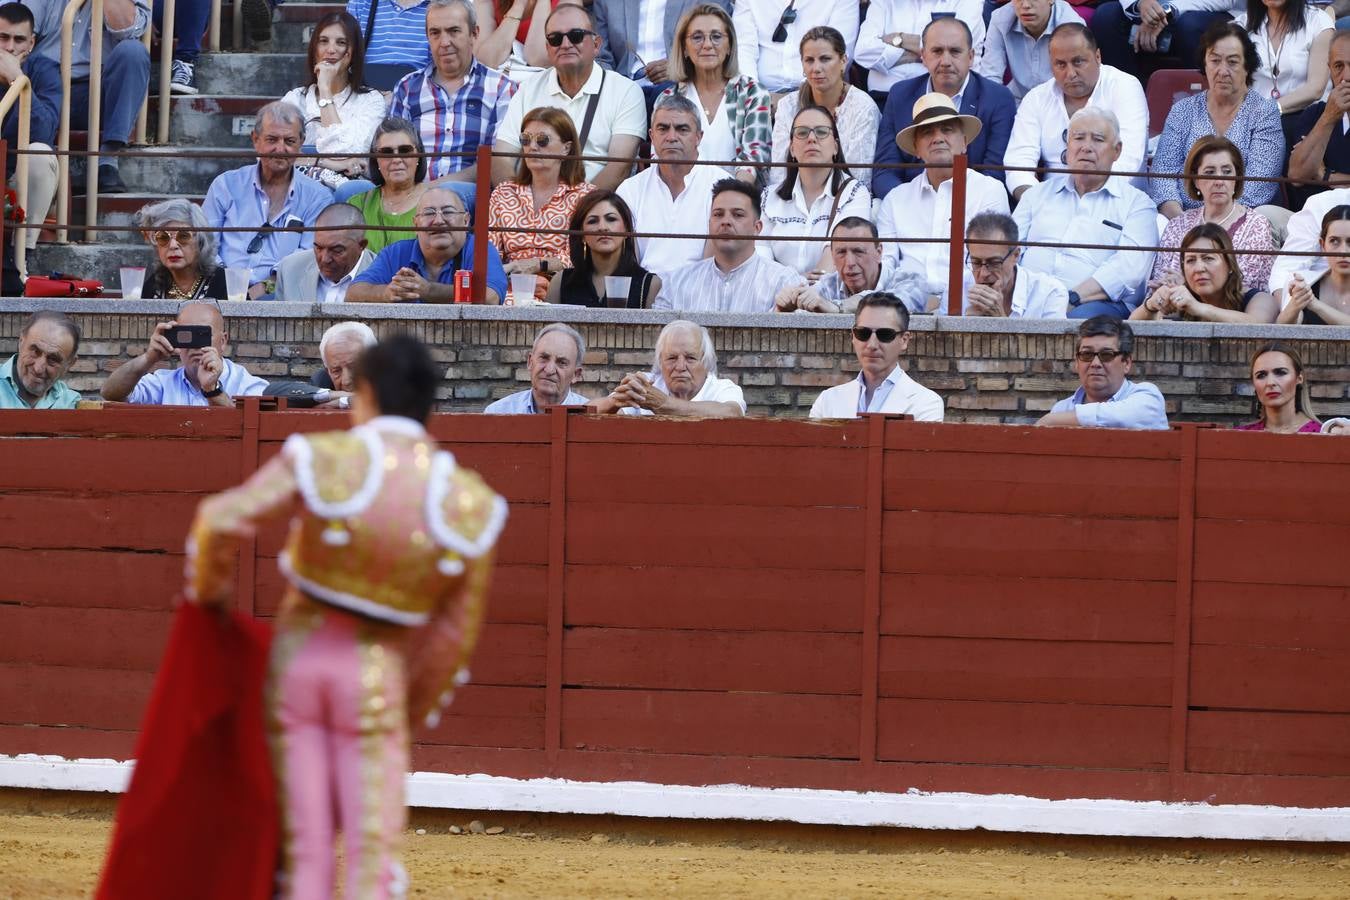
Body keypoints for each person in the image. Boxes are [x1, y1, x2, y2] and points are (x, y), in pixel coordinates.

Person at [181, 334, 505, 898]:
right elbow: (451, 639)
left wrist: (210, 607)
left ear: (366, 391)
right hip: (376, 677)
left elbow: (217, 522)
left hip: (297, 665)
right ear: (430, 406)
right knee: (370, 852)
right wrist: (405, 711)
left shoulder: (323, 457)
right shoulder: (467, 500)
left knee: (304, 848)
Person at [1014, 106, 1158, 318]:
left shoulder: (1137, 204)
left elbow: (1129, 270)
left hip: (1094, 305)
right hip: (1026, 298)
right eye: (1078, 138)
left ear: (1117, 150)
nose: (1086, 147)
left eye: (1098, 140)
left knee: (1078, 322)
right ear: (1067, 146)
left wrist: (1069, 299)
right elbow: (1009, 250)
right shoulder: (1036, 195)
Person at [492, 3, 646, 190]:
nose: (565, 45)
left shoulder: (626, 91)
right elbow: (502, 158)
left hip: (592, 208)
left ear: (596, 45)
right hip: (531, 205)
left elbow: (619, 168)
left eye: (576, 36)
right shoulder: (528, 89)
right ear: (548, 47)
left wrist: (572, 208)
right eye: (556, 39)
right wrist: (515, 201)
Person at [877, 93, 1010, 308]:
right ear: (917, 149)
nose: (938, 137)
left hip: (970, 303)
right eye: (927, 132)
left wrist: (944, 302)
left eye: (947, 129)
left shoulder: (989, 190)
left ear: (964, 142)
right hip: (905, 305)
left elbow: (992, 264)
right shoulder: (895, 199)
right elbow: (885, 264)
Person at [390, 0, 518, 207]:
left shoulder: (502, 89)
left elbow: (496, 161)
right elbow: (392, 150)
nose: (444, 42)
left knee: (446, 194)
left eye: (453, 31)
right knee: (351, 191)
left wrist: (431, 188)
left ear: (474, 34)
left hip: (470, 193)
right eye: (435, 33)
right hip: (410, 189)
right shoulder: (407, 87)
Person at [1149, 21, 1284, 217]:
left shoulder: (1264, 113)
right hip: (1181, 219)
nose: (1222, 71)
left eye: (1232, 62)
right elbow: (1163, 175)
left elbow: (1259, 185)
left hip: (1242, 219)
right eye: (1215, 60)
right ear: (1205, 64)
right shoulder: (1182, 111)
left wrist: (1213, 223)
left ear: (1247, 67)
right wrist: (1180, 221)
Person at [873, 17, 1016, 198]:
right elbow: (885, 170)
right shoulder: (900, 95)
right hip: (912, 205)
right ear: (923, 56)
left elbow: (995, 173)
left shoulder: (997, 98)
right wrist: (907, 205)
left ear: (971, 57)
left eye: (955, 51)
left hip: (971, 206)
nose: (946, 61)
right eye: (937, 51)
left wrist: (947, 207)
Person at [202, 102, 334, 297]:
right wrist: (226, 284)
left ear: (301, 142)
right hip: (219, 287)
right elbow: (206, 244)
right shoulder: (226, 185)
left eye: (289, 141)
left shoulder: (318, 197)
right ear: (255, 140)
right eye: (272, 140)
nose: (280, 149)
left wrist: (266, 287)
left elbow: (308, 257)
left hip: (284, 293)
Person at [1004, 24, 1148, 201]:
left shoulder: (1125, 86)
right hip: (1050, 203)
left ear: (1098, 56)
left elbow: (1128, 161)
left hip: (1117, 199)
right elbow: (1018, 164)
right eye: (1060, 64)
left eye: (1078, 61)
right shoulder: (1036, 98)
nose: (1070, 73)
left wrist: (1083, 201)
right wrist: (1037, 203)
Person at [27, 0, 150, 193]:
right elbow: (22, 32)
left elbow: (128, 29)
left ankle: (107, 159)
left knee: (133, 52)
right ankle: (39, 170)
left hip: (99, 92)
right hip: (47, 85)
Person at [658, 3, 772, 185]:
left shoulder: (751, 93)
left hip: (735, 202)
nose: (707, 45)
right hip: (681, 198)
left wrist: (728, 203)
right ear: (684, 48)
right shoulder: (667, 99)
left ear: (729, 46)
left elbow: (752, 161)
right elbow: (662, 163)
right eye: (697, 37)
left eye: (716, 37)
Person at [653, 178, 806, 312]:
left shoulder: (783, 281)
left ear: (757, 228)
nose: (725, 221)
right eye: (718, 214)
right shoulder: (678, 282)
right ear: (709, 224)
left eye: (737, 215)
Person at [615, 93, 727, 277]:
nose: (671, 137)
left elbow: (717, 264)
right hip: (644, 294)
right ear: (651, 136)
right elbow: (627, 261)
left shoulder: (723, 187)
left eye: (682, 129)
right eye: (663, 128)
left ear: (699, 137)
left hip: (702, 294)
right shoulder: (630, 189)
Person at [281, 11, 389, 196]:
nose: (330, 50)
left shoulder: (370, 100)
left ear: (353, 52)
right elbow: (271, 154)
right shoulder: (295, 98)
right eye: (323, 41)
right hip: (296, 185)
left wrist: (324, 89)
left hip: (344, 191)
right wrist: (327, 163)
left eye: (341, 42)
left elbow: (344, 152)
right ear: (314, 48)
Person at [489, 106, 592, 298]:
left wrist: (537, 265)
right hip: (509, 290)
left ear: (566, 148)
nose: (533, 147)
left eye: (543, 140)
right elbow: (491, 255)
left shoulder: (585, 195)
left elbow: (583, 256)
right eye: (525, 140)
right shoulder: (503, 193)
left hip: (561, 289)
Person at [1149, 135, 1275, 293]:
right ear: (1196, 180)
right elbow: (1159, 284)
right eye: (1209, 172)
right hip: (1173, 313)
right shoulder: (1177, 225)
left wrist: (1186, 286)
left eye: (1227, 171)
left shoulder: (1257, 225)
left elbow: (1248, 287)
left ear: (1237, 178)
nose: (1219, 180)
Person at [760, 105, 872, 278]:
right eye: (802, 133)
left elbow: (836, 254)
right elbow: (761, 257)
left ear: (835, 147)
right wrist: (790, 284)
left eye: (821, 132)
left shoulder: (855, 193)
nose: (811, 138)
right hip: (776, 296)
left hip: (828, 298)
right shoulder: (770, 197)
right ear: (792, 149)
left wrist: (804, 287)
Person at [348, 187, 508, 303]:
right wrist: (386, 293)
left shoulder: (480, 250)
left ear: (466, 221)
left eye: (448, 212)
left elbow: (490, 297)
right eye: (429, 213)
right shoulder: (396, 252)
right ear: (416, 224)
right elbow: (353, 293)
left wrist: (429, 290)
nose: (438, 221)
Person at [770, 27, 880, 189]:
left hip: (844, 200)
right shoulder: (788, 105)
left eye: (825, 59)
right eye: (809, 60)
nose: (816, 68)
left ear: (843, 61)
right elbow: (779, 175)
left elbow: (859, 179)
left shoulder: (863, 107)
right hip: (793, 198)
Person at [101, 301, 269, 406]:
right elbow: (110, 394)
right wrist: (148, 357)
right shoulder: (162, 383)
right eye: (187, 336)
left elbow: (251, 429)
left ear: (223, 341)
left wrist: (212, 390)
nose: (195, 346)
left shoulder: (245, 384)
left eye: (202, 335)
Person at [808, 291, 944, 420]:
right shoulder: (827, 401)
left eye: (885, 334)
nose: (872, 344)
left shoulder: (926, 403)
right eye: (863, 333)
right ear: (853, 336)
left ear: (904, 340)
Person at [775, 216, 928, 313]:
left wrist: (838, 308)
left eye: (858, 252)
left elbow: (897, 304)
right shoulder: (827, 285)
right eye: (841, 252)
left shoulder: (908, 281)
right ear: (832, 255)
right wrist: (786, 307)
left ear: (879, 252)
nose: (850, 263)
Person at [593, 319, 746, 416]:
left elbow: (732, 412)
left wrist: (663, 404)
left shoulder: (722, 388)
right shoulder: (647, 385)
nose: (680, 367)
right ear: (660, 361)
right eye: (671, 358)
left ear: (706, 362)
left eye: (690, 358)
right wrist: (615, 401)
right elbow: (585, 412)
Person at [1038, 316, 1168, 429]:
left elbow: (1123, 417)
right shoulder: (1062, 409)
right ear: (1077, 362)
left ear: (1127, 363)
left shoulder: (1149, 398)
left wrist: (1051, 420)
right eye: (1087, 354)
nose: (1095, 363)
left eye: (1106, 355)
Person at [1130, 223, 1278, 322]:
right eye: (1190, 260)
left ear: (1230, 264)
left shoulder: (1259, 298)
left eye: (1208, 258)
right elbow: (1129, 332)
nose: (1199, 268)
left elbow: (1259, 325)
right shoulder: (1180, 299)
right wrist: (1150, 306)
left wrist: (1198, 308)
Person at [0, 3, 58, 257]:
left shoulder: (44, 70)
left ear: (31, 44)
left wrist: (18, 81)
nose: (10, 47)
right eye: (2, 37)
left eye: (19, 39)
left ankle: (20, 258)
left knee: (40, 154)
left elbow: (45, 131)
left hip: (16, 178)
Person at [546, 189, 661, 306]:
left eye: (611, 219)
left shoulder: (649, 284)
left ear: (627, 230)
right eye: (592, 221)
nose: (602, 227)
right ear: (582, 235)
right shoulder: (560, 282)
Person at [854, 0, 988, 99]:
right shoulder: (884, 2)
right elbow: (863, 52)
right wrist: (929, 53)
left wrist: (898, 39)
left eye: (933, 51)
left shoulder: (968, 3)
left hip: (944, 99)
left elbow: (957, 49)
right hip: (883, 98)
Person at [1235, 0, 1334, 130]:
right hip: (1255, 122)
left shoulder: (1319, 22)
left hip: (1307, 120)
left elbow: (1315, 89)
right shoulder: (1241, 25)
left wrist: (1270, 110)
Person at [1089, 0, 1238, 86]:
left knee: (1189, 26)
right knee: (1106, 17)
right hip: (1148, 9)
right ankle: (1126, 96)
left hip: (1206, 11)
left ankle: (1204, 104)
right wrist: (1141, 3)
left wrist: (1166, 10)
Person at [732, 0, 859, 96]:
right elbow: (743, 48)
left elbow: (839, 54)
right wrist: (755, 97)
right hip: (761, 97)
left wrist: (791, 100)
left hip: (819, 97)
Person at [347, 117, 431, 255]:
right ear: (376, 160)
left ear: (418, 155)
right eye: (386, 152)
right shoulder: (356, 205)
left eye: (405, 150)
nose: (396, 159)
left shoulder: (436, 203)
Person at [592, 0, 728, 85]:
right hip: (623, 88)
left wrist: (680, 67)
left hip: (681, 86)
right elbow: (600, 56)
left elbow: (719, 45)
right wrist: (615, 86)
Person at [963, 212, 1070, 317]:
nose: (983, 274)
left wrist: (999, 320)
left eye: (994, 263)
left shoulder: (1050, 293)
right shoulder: (956, 287)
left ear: (1016, 255)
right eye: (976, 262)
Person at [977, 0, 1086, 103]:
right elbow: (990, 76)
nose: (1025, 5)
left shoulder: (1071, 25)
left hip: (1060, 101)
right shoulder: (1000, 19)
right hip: (1018, 101)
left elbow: (1077, 86)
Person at [1287, 31, 1350, 196]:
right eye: (1338, 66)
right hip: (1310, 217)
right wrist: (1329, 116)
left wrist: (1325, 175)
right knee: (1267, 212)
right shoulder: (1314, 114)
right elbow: (1297, 177)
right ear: (1329, 69)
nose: (1346, 76)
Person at [274, 203, 376, 302]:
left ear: (361, 245)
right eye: (318, 248)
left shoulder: (384, 278)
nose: (324, 259)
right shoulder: (290, 269)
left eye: (337, 251)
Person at [484, 322, 590, 412]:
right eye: (544, 358)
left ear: (576, 374)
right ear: (530, 361)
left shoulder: (591, 418)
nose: (549, 370)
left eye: (561, 363)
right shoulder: (499, 413)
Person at [137, 198, 228, 301]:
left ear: (200, 241)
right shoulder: (153, 286)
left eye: (183, 236)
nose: (172, 245)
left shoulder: (225, 284)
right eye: (163, 237)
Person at [1268, 186, 1350, 294]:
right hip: (1320, 293)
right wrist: (1292, 307)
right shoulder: (1323, 202)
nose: (1343, 251)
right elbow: (1286, 270)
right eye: (1334, 241)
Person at [1277, 204, 1350, 325]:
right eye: (1334, 241)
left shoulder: (1311, 297)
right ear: (1322, 245)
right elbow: (1280, 331)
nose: (1343, 251)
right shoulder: (1306, 282)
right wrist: (1295, 304)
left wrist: (1315, 304)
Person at [0, 310, 80, 410]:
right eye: (34, 352)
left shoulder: (71, 404)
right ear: (21, 342)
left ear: (70, 364)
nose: (38, 369)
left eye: (53, 359)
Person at [1238, 342, 1321, 432]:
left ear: (1299, 378)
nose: (1270, 382)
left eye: (1281, 372)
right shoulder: (1239, 436)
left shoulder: (1323, 434)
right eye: (1261, 375)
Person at [345, 0, 434, 71]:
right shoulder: (361, 3)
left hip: (421, 88)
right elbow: (345, 58)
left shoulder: (440, 6)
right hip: (367, 86)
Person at [473, 0, 555, 72]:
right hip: (499, 82)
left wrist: (543, 2)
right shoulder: (486, 2)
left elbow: (537, 60)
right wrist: (519, 5)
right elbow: (485, 61)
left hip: (542, 82)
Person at [310, 320, 378, 395]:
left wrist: (347, 401)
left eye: (354, 368)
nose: (346, 381)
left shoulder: (391, 382)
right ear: (328, 371)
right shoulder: (321, 383)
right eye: (336, 371)